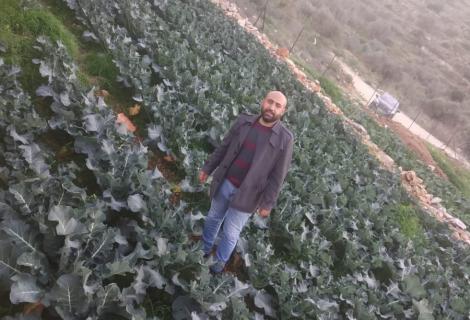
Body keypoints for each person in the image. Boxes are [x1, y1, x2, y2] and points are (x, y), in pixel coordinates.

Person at [198, 91, 294, 273]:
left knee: (230, 232)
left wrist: (268, 202)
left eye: (277, 106)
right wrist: (207, 168)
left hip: (250, 194)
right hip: (225, 181)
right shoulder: (244, 121)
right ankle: (203, 249)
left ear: (283, 110)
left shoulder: (285, 139)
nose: (272, 108)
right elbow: (224, 147)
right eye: (270, 102)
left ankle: (217, 266)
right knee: (213, 217)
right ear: (263, 101)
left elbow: (278, 175)